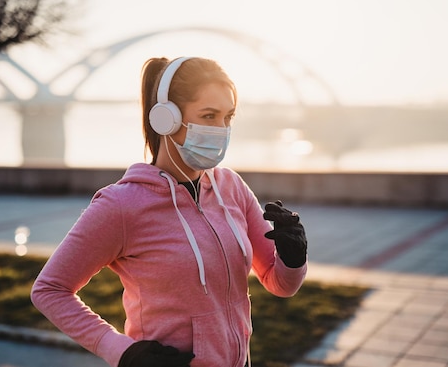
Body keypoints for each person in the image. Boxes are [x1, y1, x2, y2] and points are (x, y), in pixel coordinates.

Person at [31, 56, 308, 367]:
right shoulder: (122, 204)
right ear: (167, 119)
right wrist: (122, 352)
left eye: (228, 117)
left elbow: (281, 285)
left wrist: (293, 257)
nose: (221, 129)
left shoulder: (232, 187)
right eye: (208, 115)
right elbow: (50, 289)